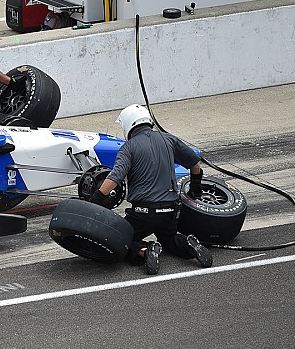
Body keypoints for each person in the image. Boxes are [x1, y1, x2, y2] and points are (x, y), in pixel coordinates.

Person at [91, 104, 213, 275]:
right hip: (170, 210)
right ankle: (189, 245)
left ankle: (146, 251)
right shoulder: (168, 139)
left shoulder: (129, 147)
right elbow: (195, 164)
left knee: (120, 239)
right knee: (169, 238)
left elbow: (114, 178)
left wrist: (94, 201)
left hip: (143, 213)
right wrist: (195, 189)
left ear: (128, 124)